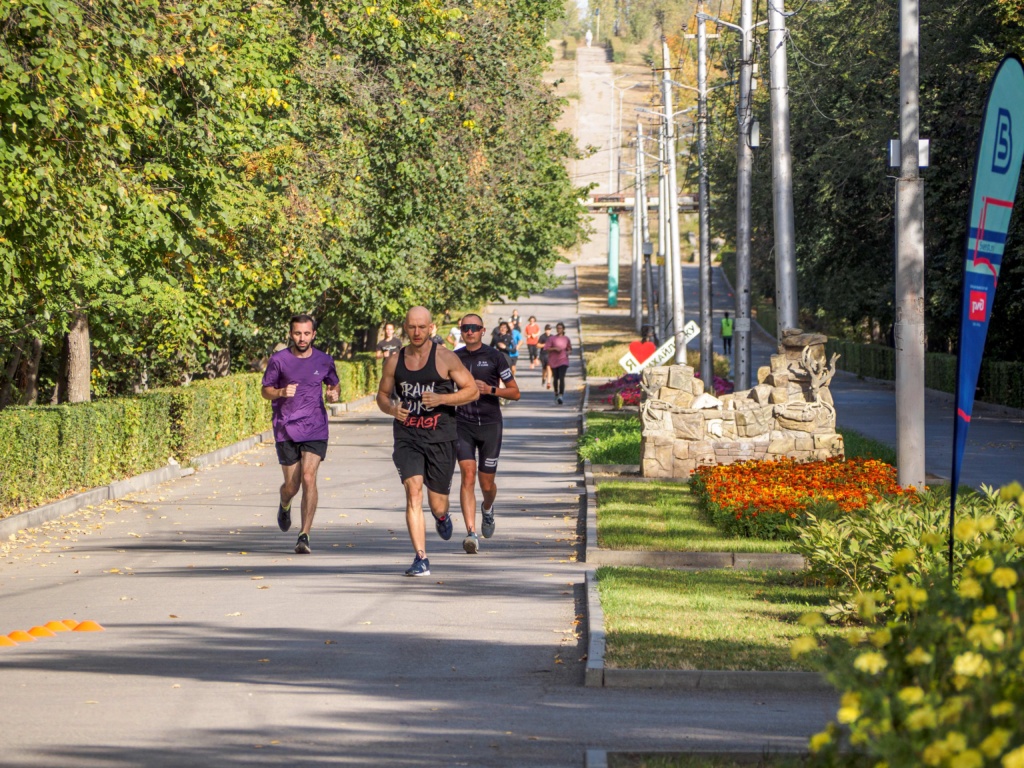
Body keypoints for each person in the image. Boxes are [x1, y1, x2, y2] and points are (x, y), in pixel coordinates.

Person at [376, 306, 479, 577]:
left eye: (422, 327)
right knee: (413, 492)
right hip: (407, 435)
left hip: (440, 437)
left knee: (437, 503)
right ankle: (421, 557)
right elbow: (383, 396)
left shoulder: (445, 358)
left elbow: (472, 391)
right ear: (405, 328)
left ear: (431, 327)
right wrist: (392, 410)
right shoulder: (394, 361)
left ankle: (442, 517)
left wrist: (442, 399)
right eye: (412, 327)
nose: (417, 332)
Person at [261, 314, 341, 555]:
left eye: (307, 333)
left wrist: (333, 393)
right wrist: (281, 391)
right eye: (298, 333)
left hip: (315, 427)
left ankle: (304, 534)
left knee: (308, 477)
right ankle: (284, 503)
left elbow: (334, 384)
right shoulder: (279, 360)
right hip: (286, 428)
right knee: (292, 486)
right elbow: (265, 391)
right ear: (291, 334)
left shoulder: (325, 360)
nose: (302, 338)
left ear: (314, 334)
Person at [454, 314, 520, 553]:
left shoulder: (495, 357)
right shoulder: (453, 358)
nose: (469, 331)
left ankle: (488, 509)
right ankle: (471, 533)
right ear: (461, 331)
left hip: (491, 424)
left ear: (482, 331)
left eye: (474, 328)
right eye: (465, 328)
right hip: (462, 423)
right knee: (468, 476)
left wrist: (491, 390)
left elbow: (515, 392)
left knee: (486, 483)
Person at [543, 322, 572, 405]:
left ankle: (561, 395)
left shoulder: (566, 339)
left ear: (563, 329)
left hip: (563, 360)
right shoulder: (552, 339)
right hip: (554, 361)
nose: (559, 330)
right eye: (558, 328)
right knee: (556, 378)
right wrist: (554, 348)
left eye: (560, 328)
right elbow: (546, 348)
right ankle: (556, 392)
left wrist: (568, 352)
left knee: (562, 377)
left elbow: (569, 348)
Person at [538, 323, 553, 389]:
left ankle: (548, 382)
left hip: (550, 355)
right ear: (545, 330)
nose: (548, 331)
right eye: (547, 329)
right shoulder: (542, 337)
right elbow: (538, 345)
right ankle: (543, 378)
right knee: (544, 369)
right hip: (543, 354)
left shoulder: (553, 337)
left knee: (549, 367)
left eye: (549, 329)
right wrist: (544, 345)